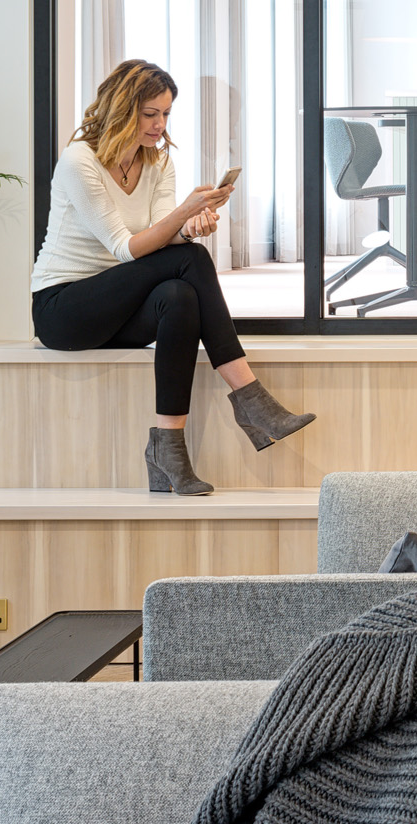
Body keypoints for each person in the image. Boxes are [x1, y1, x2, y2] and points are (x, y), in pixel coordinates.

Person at [31, 59, 314, 496]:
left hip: (121, 306)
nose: (160, 125)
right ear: (122, 109)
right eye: (150, 114)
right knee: (193, 262)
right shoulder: (79, 161)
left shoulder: (158, 163)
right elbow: (125, 247)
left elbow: (161, 236)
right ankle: (251, 400)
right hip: (65, 308)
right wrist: (183, 216)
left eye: (165, 114)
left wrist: (189, 226)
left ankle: (169, 448)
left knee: (180, 293)